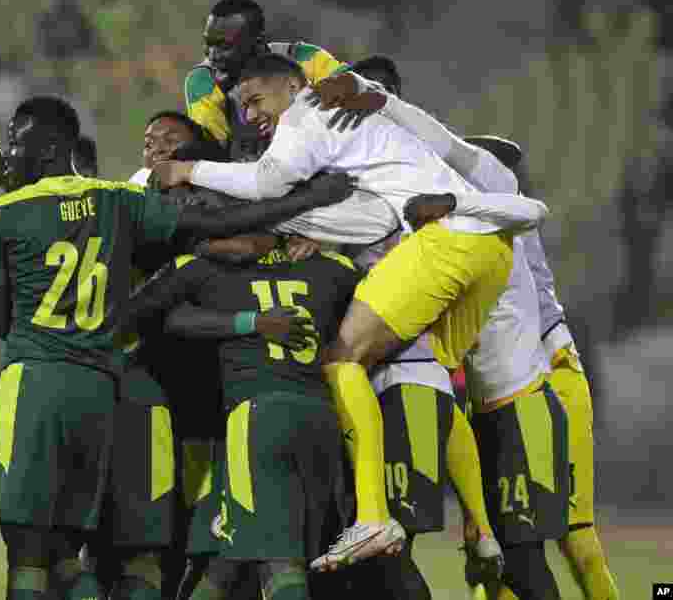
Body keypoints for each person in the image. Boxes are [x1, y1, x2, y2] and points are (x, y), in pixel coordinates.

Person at [151, 54, 549, 571]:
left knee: (342, 360)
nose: (249, 115)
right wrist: (320, 225)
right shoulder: (371, 125)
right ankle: (481, 526)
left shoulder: (307, 116)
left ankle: (373, 516)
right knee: (432, 369)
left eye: (256, 101)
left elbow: (268, 183)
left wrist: (186, 169)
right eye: (241, 106)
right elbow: (382, 209)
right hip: (490, 254)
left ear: (296, 86)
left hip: (447, 245)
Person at [0, 96, 355, 600]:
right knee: (140, 554)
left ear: (48, 149)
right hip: (121, 391)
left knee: (36, 550)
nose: (9, 154)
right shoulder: (122, 203)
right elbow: (211, 233)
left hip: (45, 380)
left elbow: (2, 319)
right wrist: (307, 206)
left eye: (14, 143)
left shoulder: (10, 211)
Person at [352, 79, 573, 599]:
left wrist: (382, 102)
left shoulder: (492, 207)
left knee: (524, 564)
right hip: (482, 412)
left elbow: (452, 149)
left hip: (522, 407)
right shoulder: (446, 231)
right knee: (493, 566)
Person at [126, 240, 359, 600]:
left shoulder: (205, 268)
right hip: (323, 414)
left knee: (275, 560)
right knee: (231, 557)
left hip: (251, 421)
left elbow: (153, 318)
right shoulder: (336, 266)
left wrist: (246, 320)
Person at [463, 137, 621, 600]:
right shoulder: (476, 227)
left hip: (548, 373)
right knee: (497, 550)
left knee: (573, 540)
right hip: (501, 391)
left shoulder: (507, 222)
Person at [186, 0, 365, 161]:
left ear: (258, 42)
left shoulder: (306, 58)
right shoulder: (204, 82)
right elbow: (210, 155)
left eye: (224, 46)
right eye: (208, 44)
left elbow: (361, 88)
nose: (213, 55)